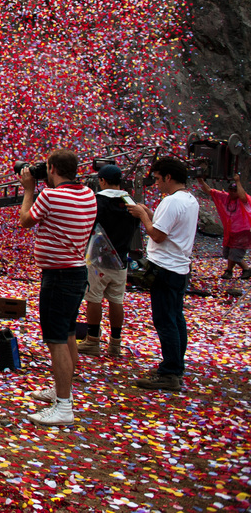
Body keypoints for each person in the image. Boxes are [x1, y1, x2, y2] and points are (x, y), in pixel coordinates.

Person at [17, 150, 97, 426]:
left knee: (56, 340)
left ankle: (64, 406)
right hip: (76, 272)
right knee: (69, 333)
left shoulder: (50, 196)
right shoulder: (88, 194)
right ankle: (63, 390)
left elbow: (25, 220)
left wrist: (29, 190)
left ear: (51, 168)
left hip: (59, 277)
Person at [126, 157, 199, 391]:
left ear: (168, 177)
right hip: (180, 268)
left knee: (165, 320)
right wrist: (150, 212)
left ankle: (170, 373)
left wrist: (143, 216)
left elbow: (157, 235)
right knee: (176, 319)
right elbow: (169, 226)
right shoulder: (190, 200)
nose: (156, 184)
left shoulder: (172, 202)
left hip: (165, 268)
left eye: (157, 179)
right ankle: (175, 365)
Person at [79, 164, 142, 358]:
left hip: (98, 260)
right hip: (122, 258)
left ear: (102, 181)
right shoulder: (130, 202)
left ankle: (93, 340)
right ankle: (115, 343)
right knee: (116, 300)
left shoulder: (97, 201)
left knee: (93, 298)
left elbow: (87, 224)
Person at [197, 172, 250, 279]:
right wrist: (200, 179)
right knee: (228, 253)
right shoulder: (225, 197)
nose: (233, 193)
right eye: (231, 190)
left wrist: (238, 181)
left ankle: (229, 271)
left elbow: (243, 196)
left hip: (243, 232)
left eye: (235, 191)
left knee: (234, 252)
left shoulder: (243, 200)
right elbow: (208, 190)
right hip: (230, 231)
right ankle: (246, 269)